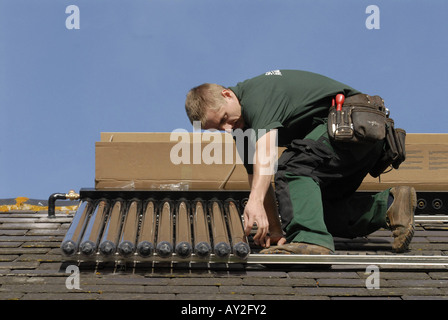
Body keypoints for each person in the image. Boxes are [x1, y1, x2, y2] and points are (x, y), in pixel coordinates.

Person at [184, 69, 416, 254]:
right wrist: (275, 230)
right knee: (308, 208)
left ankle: (310, 240)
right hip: (359, 140)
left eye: (224, 118)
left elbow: (267, 157)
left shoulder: (257, 95)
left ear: (227, 94)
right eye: (218, 128)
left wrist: (253, 203)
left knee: (292, 168)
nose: (227, 128)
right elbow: (257, 176)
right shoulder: (240, 128)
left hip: (352, 124)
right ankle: (389, 206)